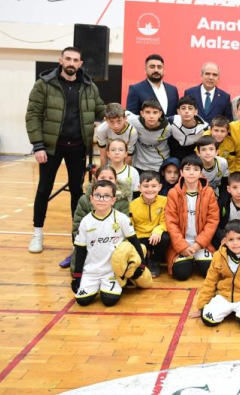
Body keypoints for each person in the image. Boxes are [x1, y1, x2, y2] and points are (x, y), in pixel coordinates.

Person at [26, 46, 106, 253]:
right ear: (60, 60)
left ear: (80, 64)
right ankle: (37, 235)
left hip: (78, 148)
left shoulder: (89, 86)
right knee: (43, 189)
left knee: (77, 192)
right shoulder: (44, 84)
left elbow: (101, 109)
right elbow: (33, 115)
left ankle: (78, 236)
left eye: (75, 60)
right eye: (68, 59)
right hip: (51, 148)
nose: (71, 63)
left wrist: (122, 115)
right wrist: (37, 145)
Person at [71, 179, 146, 307]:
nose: (101, 199)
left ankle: (117, 283)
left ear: (113, 200)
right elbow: (80, 250)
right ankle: (93, 285)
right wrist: (77, 275)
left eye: (106, 196)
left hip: (112, 271)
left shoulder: (121, 218)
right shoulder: (85, 221)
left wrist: (142, 265)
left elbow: (134, 241)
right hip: (91, 271)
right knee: (82, 301)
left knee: (109, 301)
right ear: (91, 198)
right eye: (97, 195)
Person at [61, 165, 130, 270]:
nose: (107, 181)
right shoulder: (84, 200)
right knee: (81, 271)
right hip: (90, 243)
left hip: (112, 244)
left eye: (110, 178)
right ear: (96, 180)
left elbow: (124, 230)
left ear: (116, 181)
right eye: (102, 178)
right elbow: (77, 227)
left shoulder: (122, 202)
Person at [165, 154, 220, 281]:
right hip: (182, 243)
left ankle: (197, 258)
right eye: (187, 169)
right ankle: (188, 258)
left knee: (209, 272)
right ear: (181, 173)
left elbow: (212, 220)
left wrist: (199, 244)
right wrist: (182, 247)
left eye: (195, 169)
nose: (191, 173)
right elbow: (171, 223)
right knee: (181, 273)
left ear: (201, 173)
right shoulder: (173, 193)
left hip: (201, 243)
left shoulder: (209, 192)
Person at [129, 171, 169, 278]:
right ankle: (144, 259)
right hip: (140, 236)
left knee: (165, 238)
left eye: (154, 186)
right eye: (146, 186)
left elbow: (166, 221)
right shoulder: (132, 205)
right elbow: (130, 224)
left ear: (160, 187)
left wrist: (157, 231)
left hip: (156, 235)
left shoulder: (165, 201)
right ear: (139, 188)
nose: (150, 189)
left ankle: (154, 261)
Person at [213, 172, 240, 249]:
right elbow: (215, 223)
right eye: (234, 187)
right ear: (229, 189)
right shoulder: (223, 202)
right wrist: (222, 236)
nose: (239, 191)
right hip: (227, 234)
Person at [126, 100, 171, 174]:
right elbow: (118, 112)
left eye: (155, 112)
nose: (151, 116)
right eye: (147, 112)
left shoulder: (168, 128)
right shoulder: (133, 121)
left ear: (160, 114)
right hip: (138, 164)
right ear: (142, 113)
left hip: (159, 164)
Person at [168, 96, 208, 161]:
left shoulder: (204, 128)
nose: (186, 111)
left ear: (196, 112)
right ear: (178, 111)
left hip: (193, 159)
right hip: (173, 157)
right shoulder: (171, 121)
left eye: (190, 108)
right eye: (183, 108)